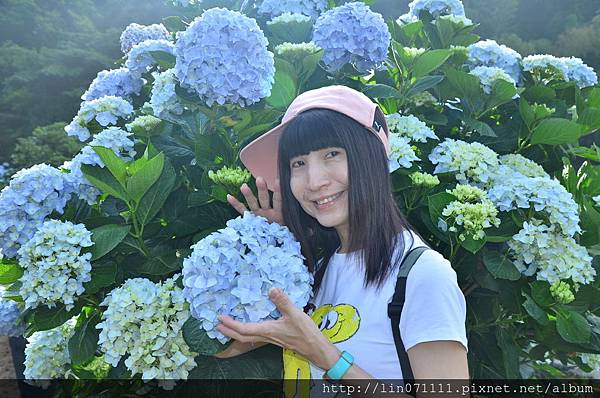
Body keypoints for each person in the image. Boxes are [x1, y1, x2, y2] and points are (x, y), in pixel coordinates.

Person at [214, 85, 469, 395]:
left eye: (331, 154)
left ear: (371, 159)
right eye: (299, 163)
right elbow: (222, 346)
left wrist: (329, 358)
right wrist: (272, 245)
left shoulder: (423, 275)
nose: (314, 181)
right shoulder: (314, 271)